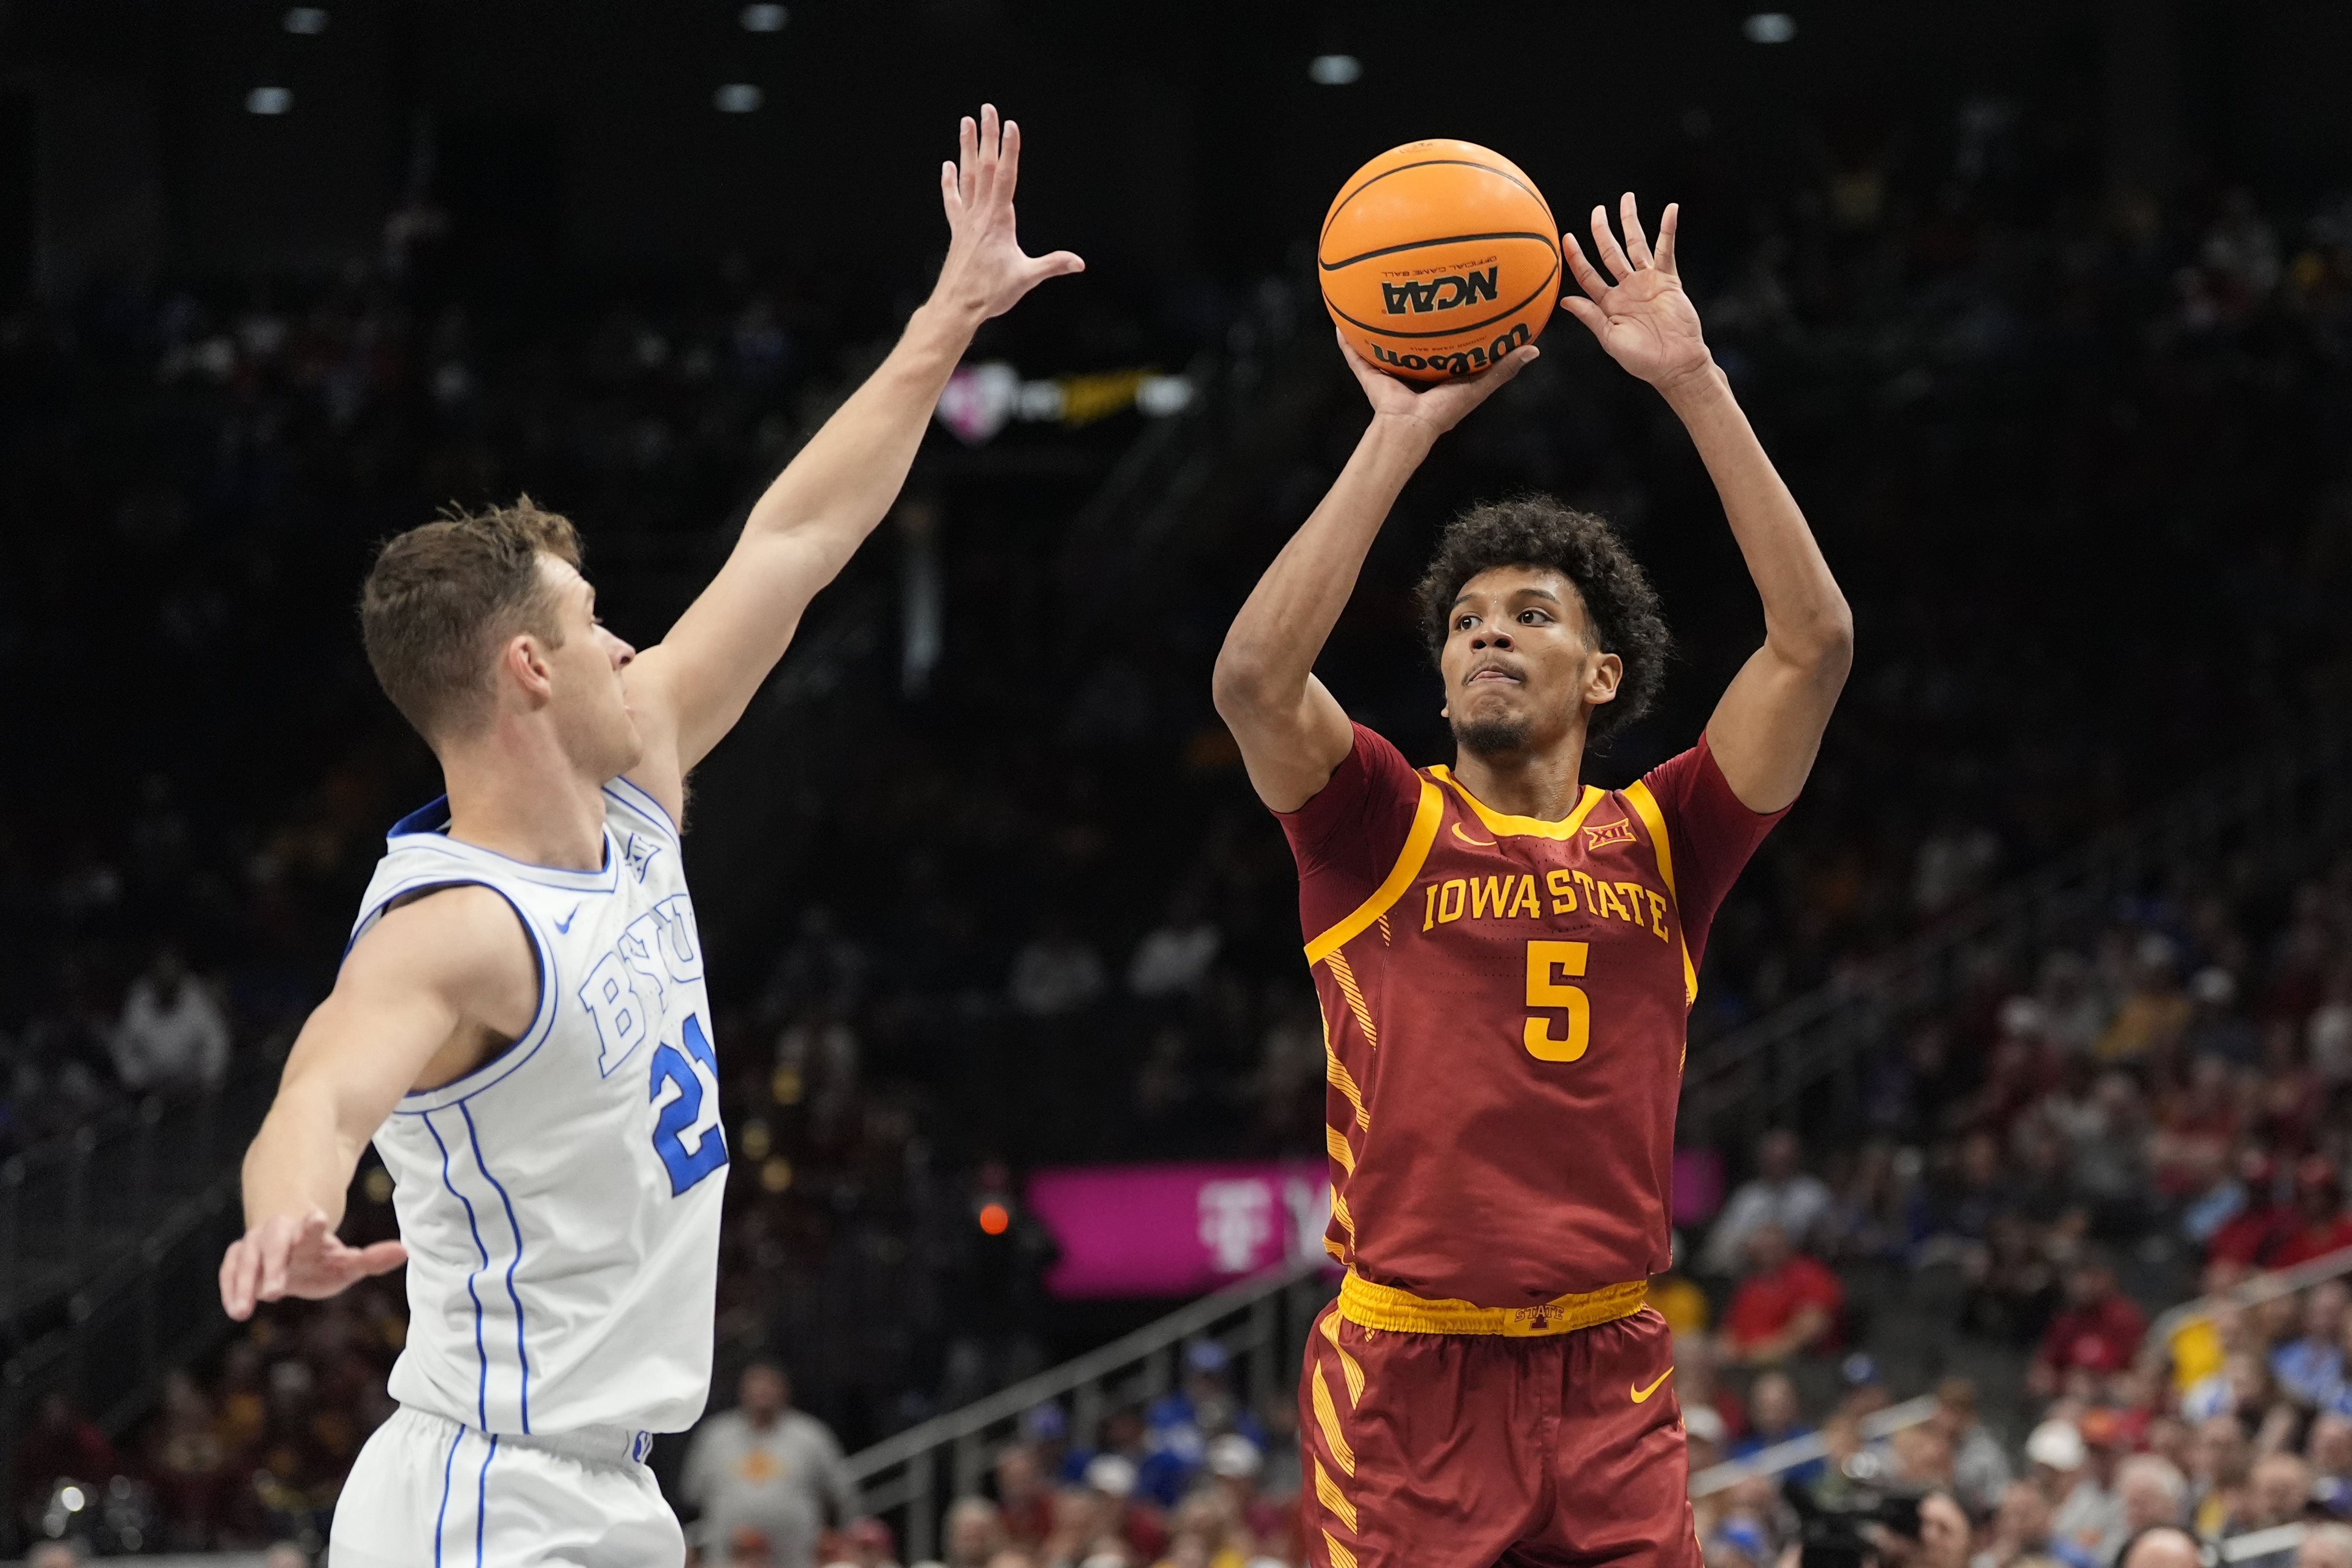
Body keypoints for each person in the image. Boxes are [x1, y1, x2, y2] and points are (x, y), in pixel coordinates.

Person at [212, 103, 1082, 1566]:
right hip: (482, 1498)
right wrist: (287, 1212)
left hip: (611, 1492)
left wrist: (947, 315)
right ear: (528, 674)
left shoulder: (633, 787)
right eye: (592, 623)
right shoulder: (453, 930)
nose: (630, 646)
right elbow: (323, 1082)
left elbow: (797, 540)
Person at [1215, 192, 1851, 1568]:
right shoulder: (1374, 824)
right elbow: (1254, 682)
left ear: (1602, 673)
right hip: (1408, 1380)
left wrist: (1692, 383)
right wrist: (1394, 437)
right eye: (1460, 622)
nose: (1484, 636)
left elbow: (1811, 647)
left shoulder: (1669, 835)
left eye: (1529, 616)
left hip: (1609, 1367)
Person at [679, 1361, 857, 1567]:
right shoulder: (715, 1435)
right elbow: (692, 1494)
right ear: (742, 1391)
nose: (763, 1392)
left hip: (796, 1551)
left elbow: (842, 1494)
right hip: (729, 1552)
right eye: (756, 1385)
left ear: (785, 1391)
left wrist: (842, 1539)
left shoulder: (811, 1435)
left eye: (770, 1385)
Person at [1700, 1130, 1833, 1275]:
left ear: (1796, 1159)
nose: (1778, 1165)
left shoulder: (1813, 1194)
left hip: (1803, 1271)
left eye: (1784, 1160)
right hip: (1752, 1272)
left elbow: (1828, 1238)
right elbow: (1722, 1240)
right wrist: (1754, 1246)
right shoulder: (1748, 1196)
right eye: (1773, 1160)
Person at [1718, 1222, 1845, 1365]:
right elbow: (1730, 1331)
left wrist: (1758, 1356)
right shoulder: (1750, 1285)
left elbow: (1811, 1328)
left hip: (1800, 1364)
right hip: (1747, 1362)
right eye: (1763, 1245)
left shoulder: (1811, 1275)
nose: (1767, 1250)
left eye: (1773, 1245)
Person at [110, 945, 231, 1093]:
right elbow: (124, 1045)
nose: (166, 975)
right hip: (151, 1090)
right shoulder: (139, 998)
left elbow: (217, 1040)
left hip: (193, 1088)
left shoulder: (196, 996)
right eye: (161, 969)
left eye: (171, 968)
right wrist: (135, 1080)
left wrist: (209, 1077)